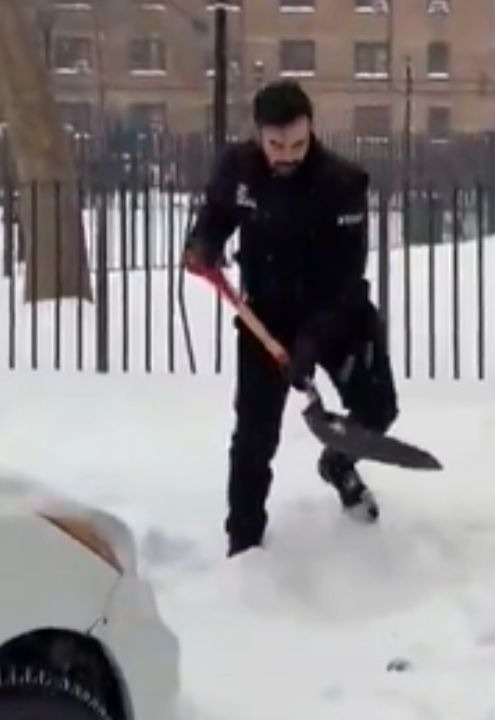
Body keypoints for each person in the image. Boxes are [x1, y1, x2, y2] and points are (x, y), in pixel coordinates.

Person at [183, 80, 399, 556]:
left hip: (337, 312)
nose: (286, 155)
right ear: (259, 134)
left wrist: (310, 344)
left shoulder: (343, 184)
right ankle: (243, 544)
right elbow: (217, 213)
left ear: (312, 131)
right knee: (254, 438)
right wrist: (204, 244)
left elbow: (346, 279)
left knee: (377, 411)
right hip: (267, 315)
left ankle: (338, 463)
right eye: (276, 144)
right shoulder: (238, 169)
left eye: (298, 144)